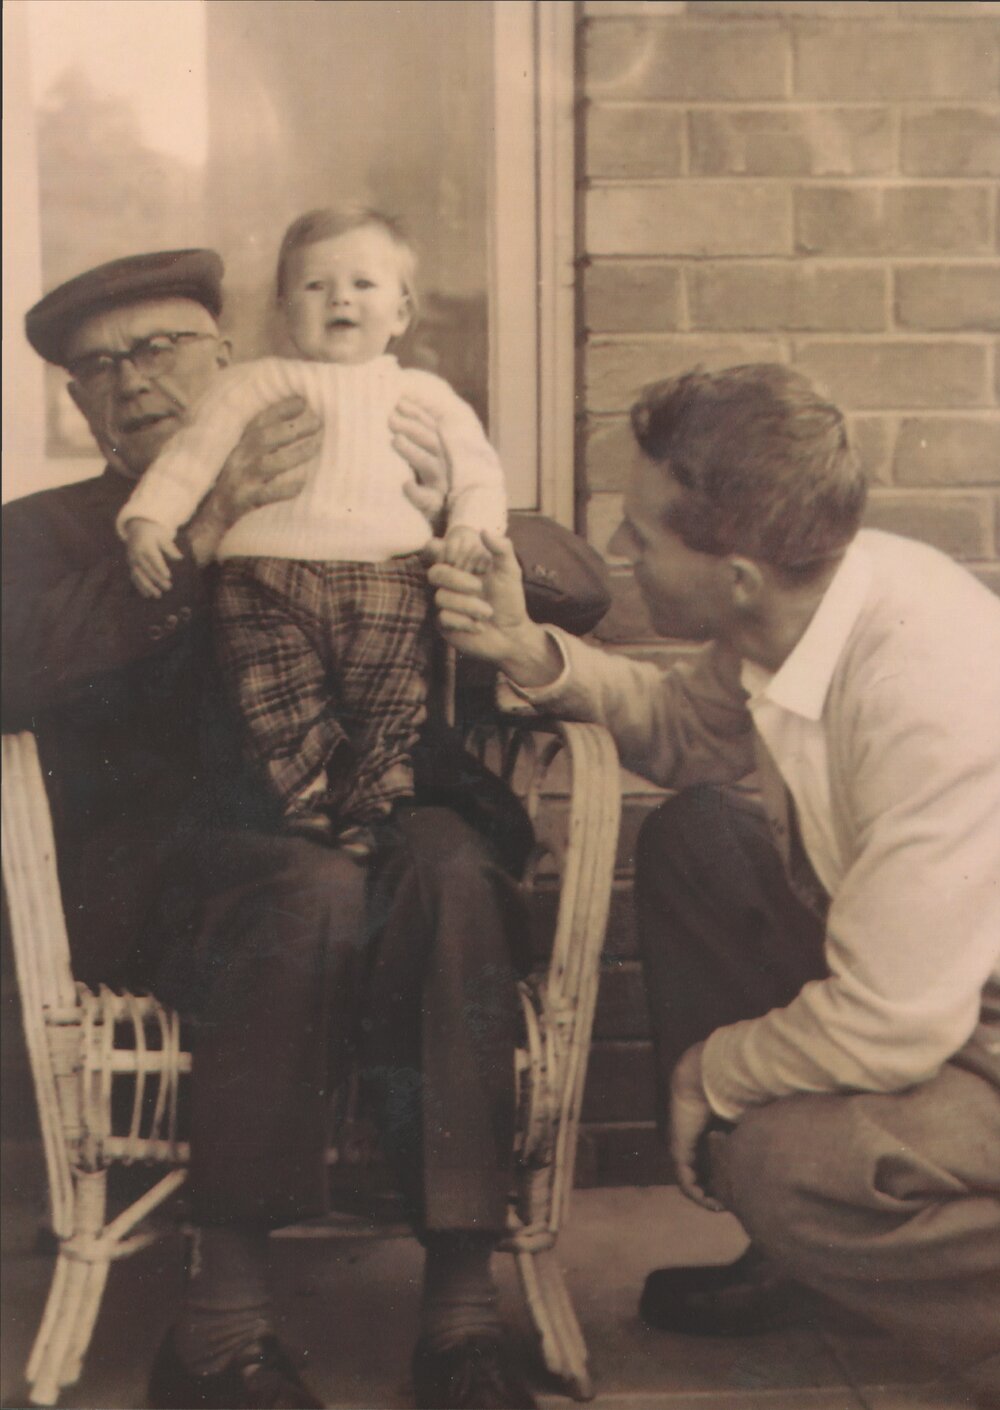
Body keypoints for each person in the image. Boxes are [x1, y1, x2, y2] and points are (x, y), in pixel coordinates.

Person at [3, 247, 543, 1410]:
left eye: (160, 348)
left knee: (452, 867)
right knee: (307, 888)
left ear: (230, 357)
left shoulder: (374, 445)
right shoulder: (51, 530)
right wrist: (199, 534)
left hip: (385, 823)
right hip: (180, 876)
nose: (131, 380)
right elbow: (12, 663)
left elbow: (579, 582)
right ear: (78, 402)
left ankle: (462, 1315)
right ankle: (222, 1328)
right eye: (97, 367)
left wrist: (448, 509)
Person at [429, 363, 1000, 1407]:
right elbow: (687, 730)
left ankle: (869, 1253)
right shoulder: (799, 601)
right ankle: (805, 1257)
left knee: (781, 1164)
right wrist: (526, 649)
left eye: (641, 536)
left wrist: (711, 1074)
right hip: (932, 983)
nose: (617, 550)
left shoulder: (929, 689)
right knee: (698, 843)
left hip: (967, 1020)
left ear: (735, 575)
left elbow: (893, 1024)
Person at [118, 208, 506, 857]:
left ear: (402, 313)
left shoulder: (426, 395)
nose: (340, 299)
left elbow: (479, 472)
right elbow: (192, 454)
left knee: (389, 696)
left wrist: (469, 525)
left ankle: (371, 811)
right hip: (264, 579)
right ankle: (302, 802)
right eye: (315, 285)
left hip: (387, 575)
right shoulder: (254, 384)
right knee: (274, 692)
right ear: (284, 312)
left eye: (363, 284)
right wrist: (149, 518)